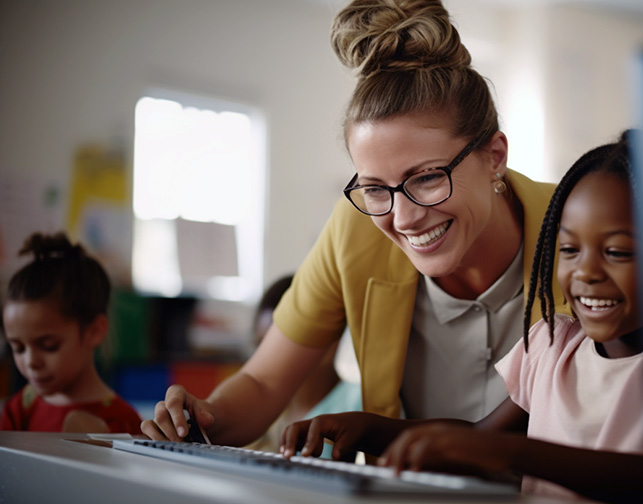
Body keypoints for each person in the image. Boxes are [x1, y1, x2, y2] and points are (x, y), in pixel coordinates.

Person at [142, 0, 563, 448]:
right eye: (376, 188)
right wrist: (200, 418)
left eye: (425, 177)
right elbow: (264, 384)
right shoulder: (356, 227)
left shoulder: (579, 229)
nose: (403, 218)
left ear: (494, 156)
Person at [283, 132, 643, 502]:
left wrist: (509, 452)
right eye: (570, 249)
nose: (586, 272)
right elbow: (480, 437)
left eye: (618, 252)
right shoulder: (551, 345)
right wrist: (368, 429)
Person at [1, 232, 143, 434]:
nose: (31, 361)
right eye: (18, 348)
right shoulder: (19, 409)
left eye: (48, 346)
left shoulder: (124, 423)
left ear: (94, 331)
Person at [243, 275, 361, 455]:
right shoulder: (255, 412)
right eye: (261, 346)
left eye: (282, 348)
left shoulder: (361, 403)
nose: (270, 361)